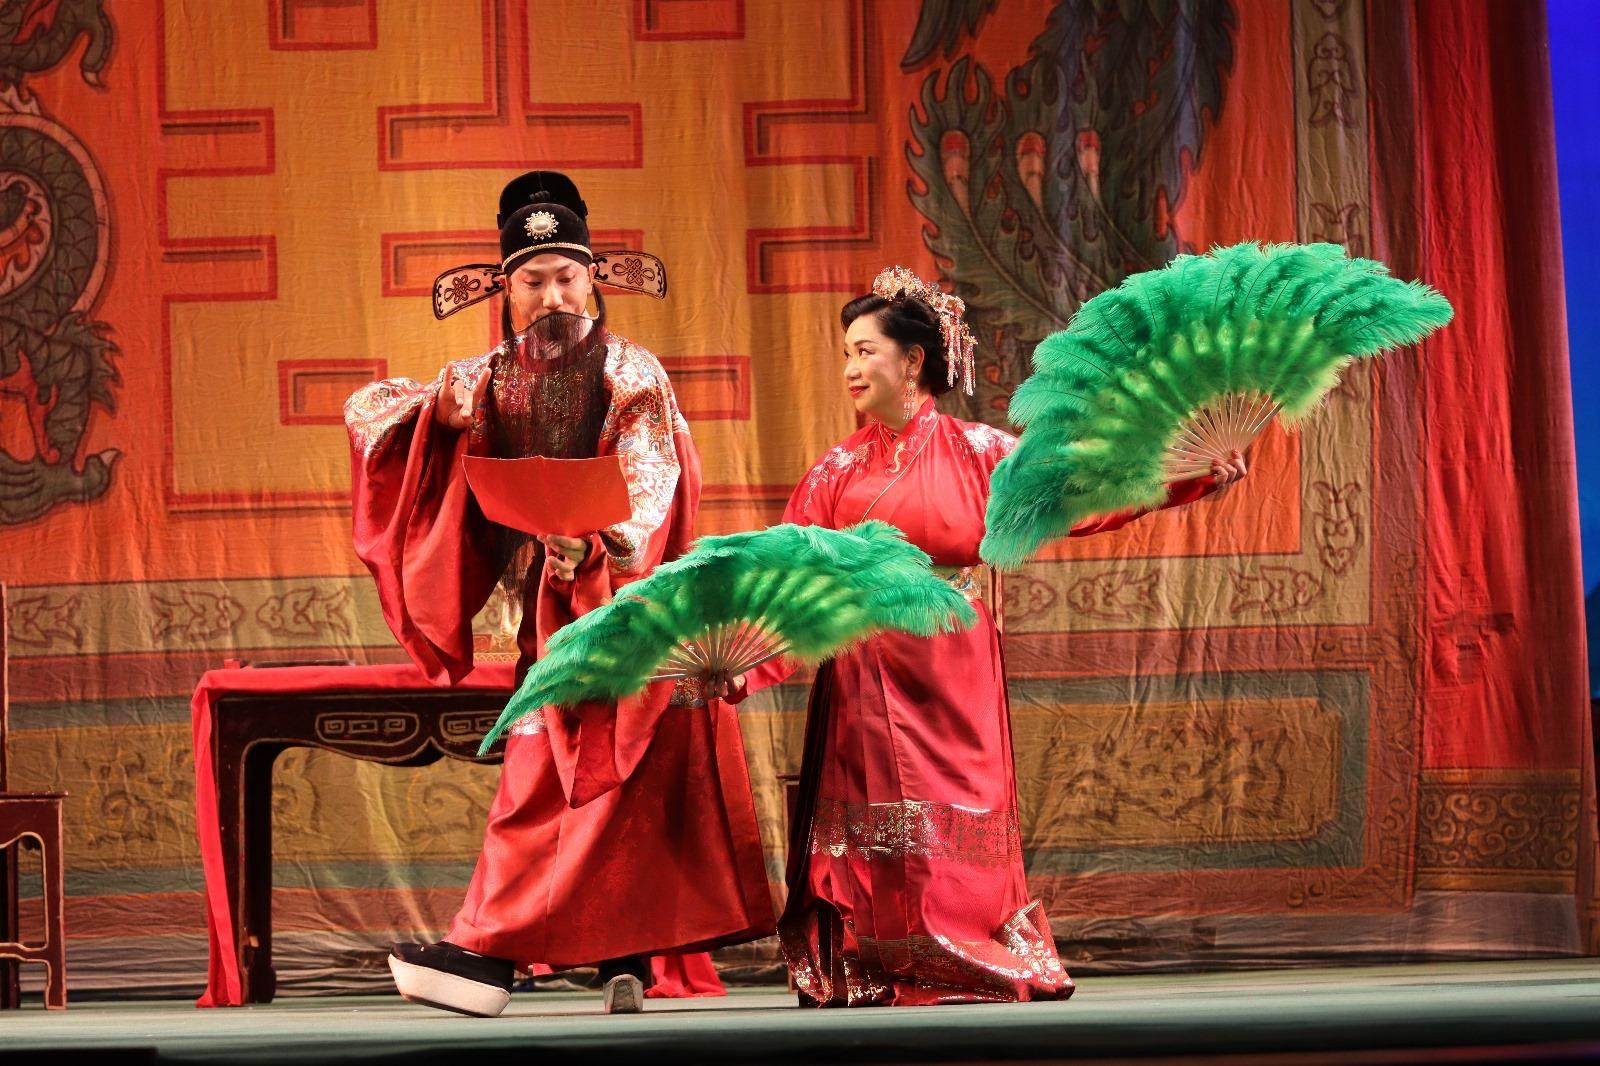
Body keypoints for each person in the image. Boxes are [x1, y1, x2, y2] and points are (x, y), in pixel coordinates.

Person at [735, 267, 1247, 1006]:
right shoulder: (835, 471)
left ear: (913, 361)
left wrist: (1189, 477)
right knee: (875, 823)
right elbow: (787, 582)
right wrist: (744, 667)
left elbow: (1082, 495)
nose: (849, 368)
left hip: (952, 658)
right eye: (845, 352)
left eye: (865, 351)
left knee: (956, 812)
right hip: (865, 665)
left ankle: (961, 946)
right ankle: (878, 958)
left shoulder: (981, 451)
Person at [344, 172, 773, 1017]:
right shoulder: (487, 377)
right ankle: (592, 952)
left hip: (634, 606)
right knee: (556, 776)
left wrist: (602, 542)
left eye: (567, 276)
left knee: (583, 786)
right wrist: (441, 419)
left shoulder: (631, 372)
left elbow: (650, 485)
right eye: (533, 280)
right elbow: (370, 413)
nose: (553, 296)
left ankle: (492, 952)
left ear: (595, 281)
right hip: (550, 609)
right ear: (504, 292)